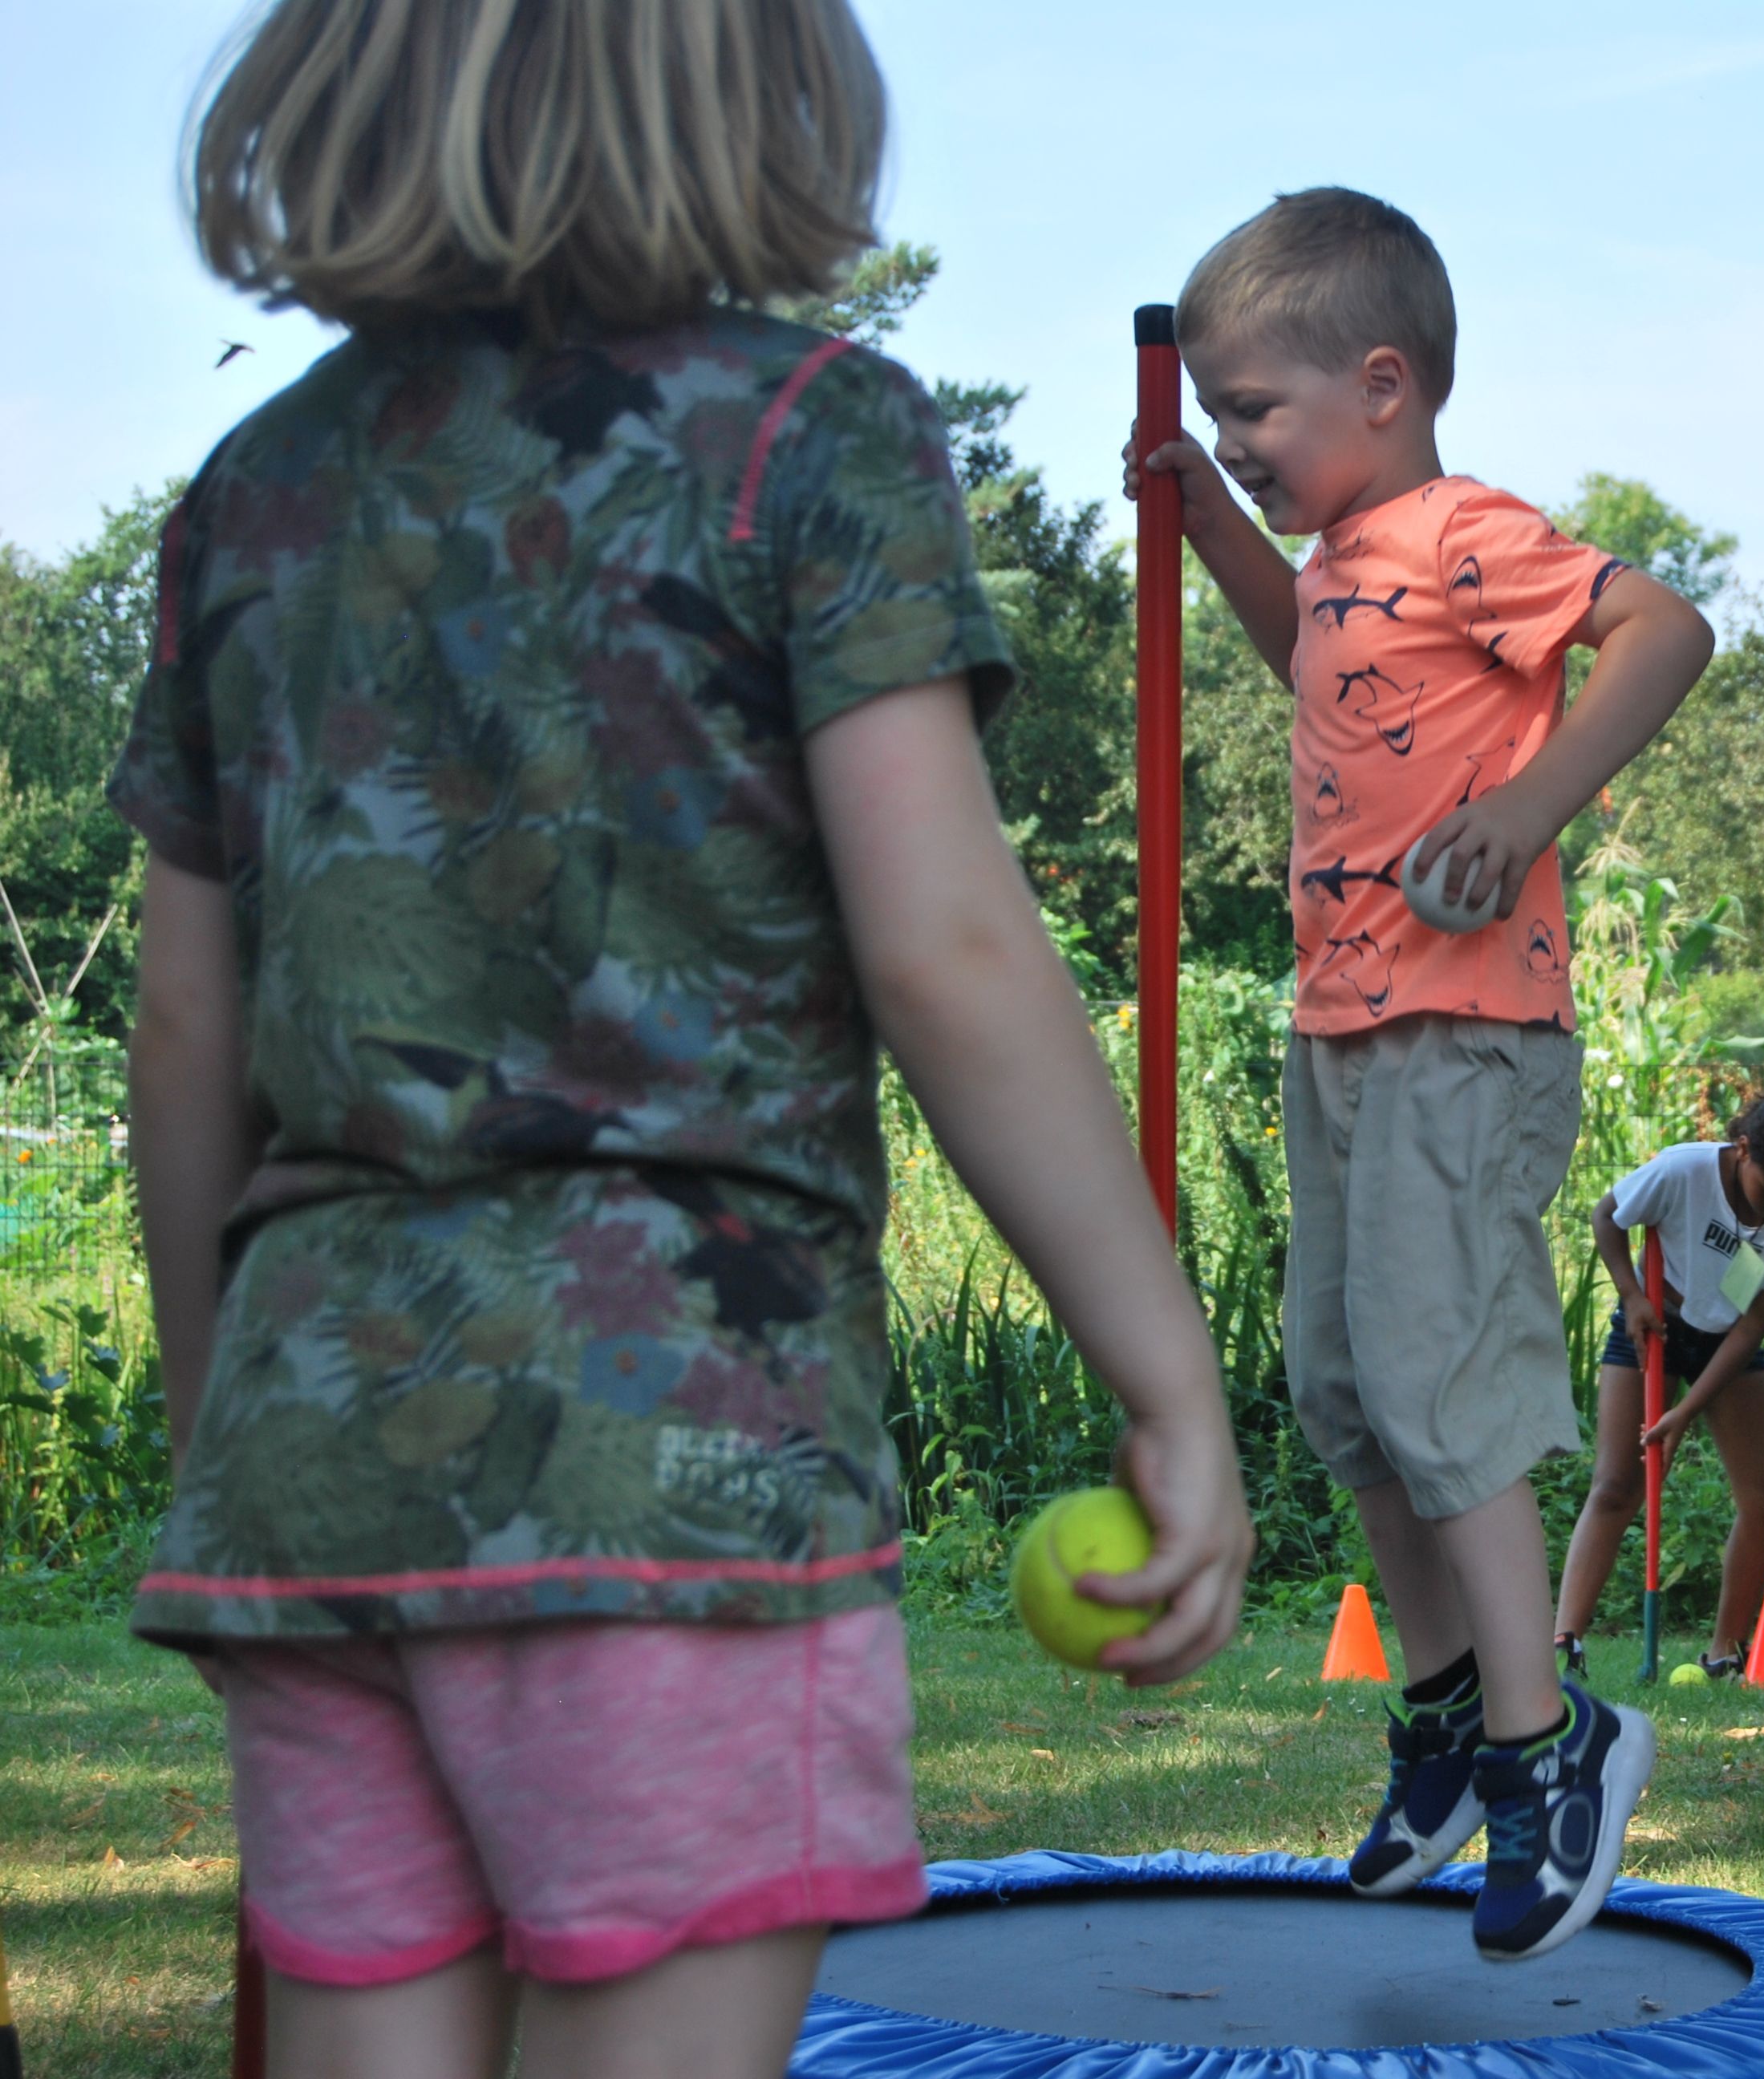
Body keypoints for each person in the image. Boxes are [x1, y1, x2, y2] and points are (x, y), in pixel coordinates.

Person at [118, 6, 1254, 2073]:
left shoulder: (252, 490)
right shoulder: (811, 434)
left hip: (312, 1463)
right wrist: (1164, 1371)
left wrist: (227, 1452)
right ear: (762, 91)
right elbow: (950, 953)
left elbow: (184, 1024)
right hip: (676, 1466)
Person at [1126, 188, 1714, 1960]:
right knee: (1343, 1386)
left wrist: (1527, 807)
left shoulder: (1463, 529)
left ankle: (1552, 1741)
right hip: (1342, 1025)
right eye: (1216, 411)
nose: (1236, 439)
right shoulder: (1334, 566)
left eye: (1254, 410)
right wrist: (1199, 513)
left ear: (1381, 385)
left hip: (1465, 1027)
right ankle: (1453, 1703)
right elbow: (1304, 661)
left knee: (1437, 1380)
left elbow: (1666, 630)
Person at [1555, 1089, 1764, 1682]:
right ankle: (1564, 1644)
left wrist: (1684, 1411)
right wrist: (1632, 1296)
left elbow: (1751, 1328)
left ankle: (1724, 1655)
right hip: (1652, 1325)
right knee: (1618, 1483)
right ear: (1744, 1148)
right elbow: (1607, 1216)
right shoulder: (1683, 1170)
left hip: (1727, 1341)